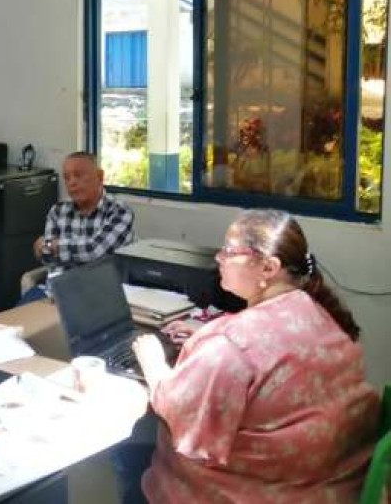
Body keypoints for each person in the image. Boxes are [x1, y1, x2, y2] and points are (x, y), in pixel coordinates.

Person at [128, 209, 378, 504]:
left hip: (242, 492)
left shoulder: (230, 345)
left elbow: (180, 415)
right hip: (324, 485)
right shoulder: (316, 313)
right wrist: (209, 334)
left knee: (128, 458)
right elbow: (266, 348)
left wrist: (153, 362)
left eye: (229, 251)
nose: (218, 258)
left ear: (268, 268)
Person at [19, 151, 134, 304]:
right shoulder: (58, 211)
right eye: (67, 177)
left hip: (99, 297)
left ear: (99, 176)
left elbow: (94, 250)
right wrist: (58, 249)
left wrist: (52, 246)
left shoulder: (119, 211)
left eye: (78, 175)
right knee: (15, 317)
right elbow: (48, 258)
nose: (72, 182)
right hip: (54, 294)